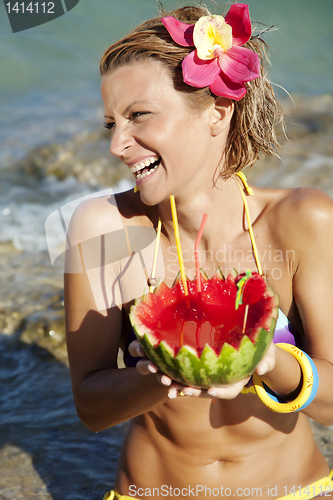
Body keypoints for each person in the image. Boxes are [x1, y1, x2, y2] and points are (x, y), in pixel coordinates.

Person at [64, 3, 333, 499]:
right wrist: (163, 374)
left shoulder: (302, 221)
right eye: (110, 124)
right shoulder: (103, 228)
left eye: (138, 115)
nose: (117, 144)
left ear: (217, 112)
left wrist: (267, 363)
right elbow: (91, 408)